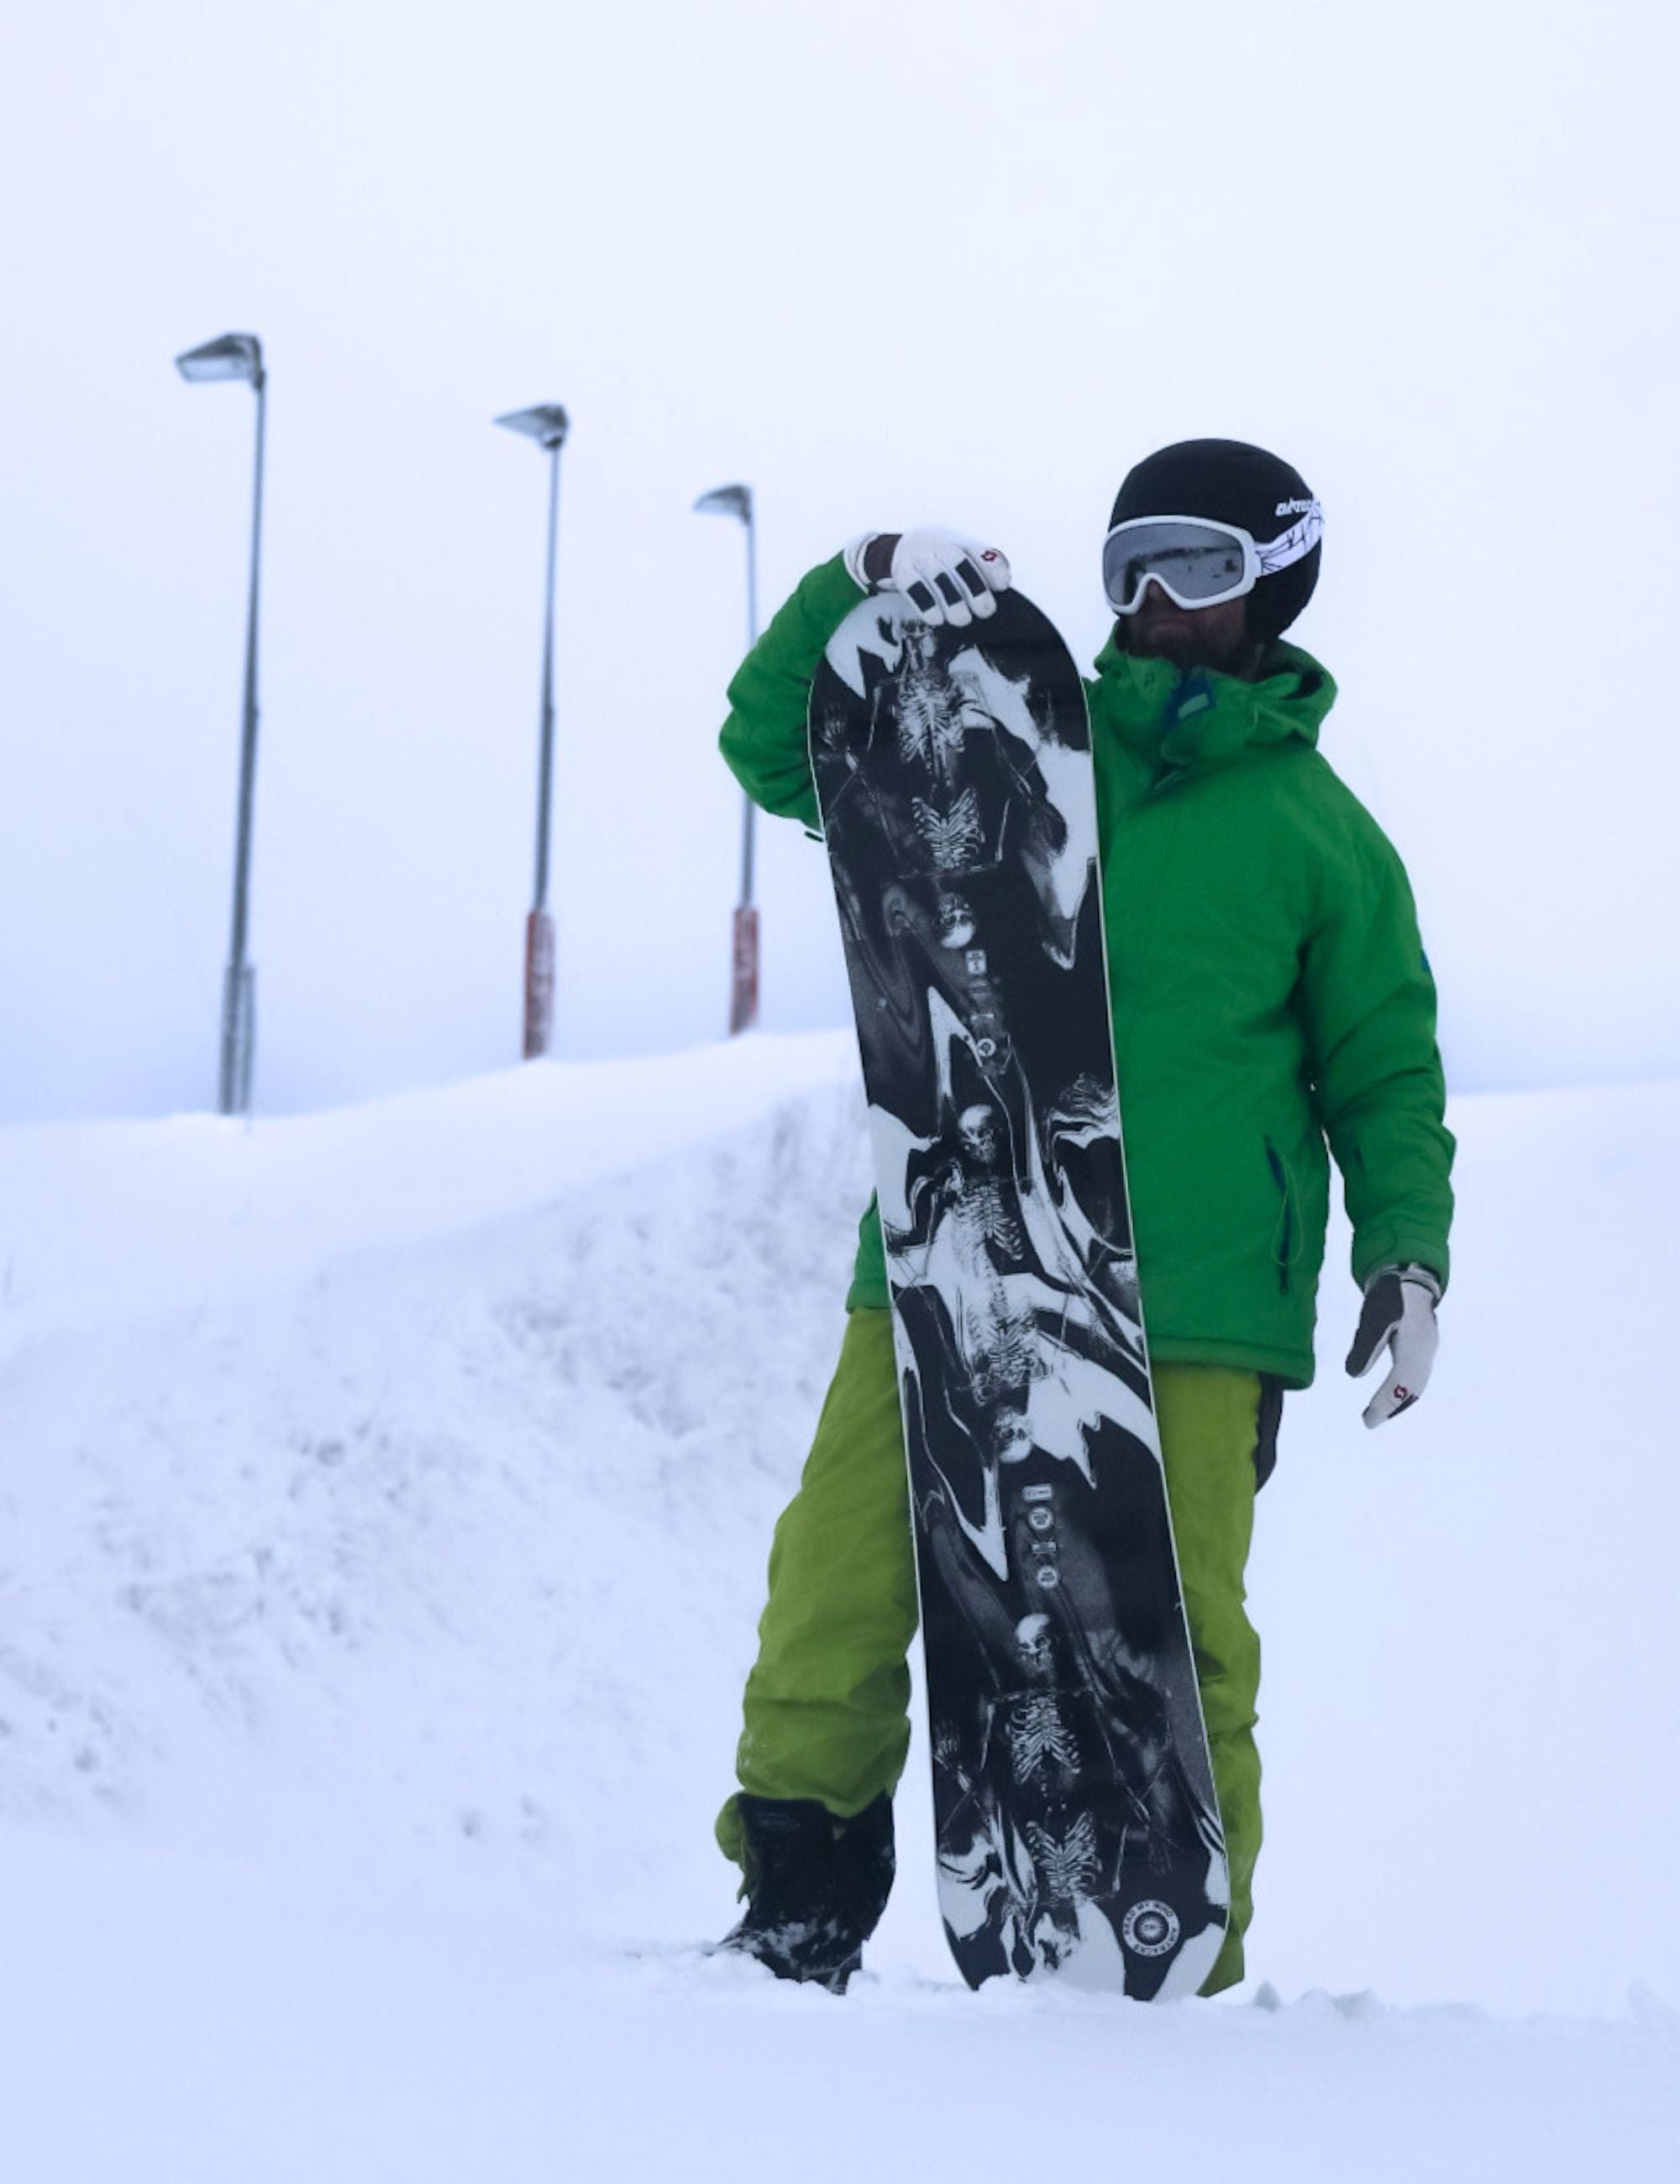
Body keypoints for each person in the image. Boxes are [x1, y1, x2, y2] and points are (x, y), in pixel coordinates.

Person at [710, 438, 1455, 1994]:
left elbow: (1384, 1075)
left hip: (1192, 1299)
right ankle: (796, 1895)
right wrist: (850, 596)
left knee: (1178, 1647)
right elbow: (786, 756)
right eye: (1128, 570)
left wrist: (1405, 1251)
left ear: (1272, 580)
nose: (1151, 604)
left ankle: (1184, 1965)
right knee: (840, 1579)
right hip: (947, 1248)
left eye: (1193, 567)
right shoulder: (1006, 745)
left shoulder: (1326, 842)